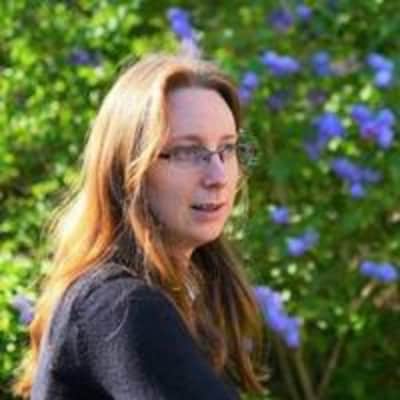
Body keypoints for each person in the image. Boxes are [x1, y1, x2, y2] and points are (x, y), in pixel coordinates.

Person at [13, 53, 268, 399]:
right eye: (187, 151)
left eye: (228, 148)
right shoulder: (120, 306)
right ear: (127, 169)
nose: (218, 175)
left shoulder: (187, 295)